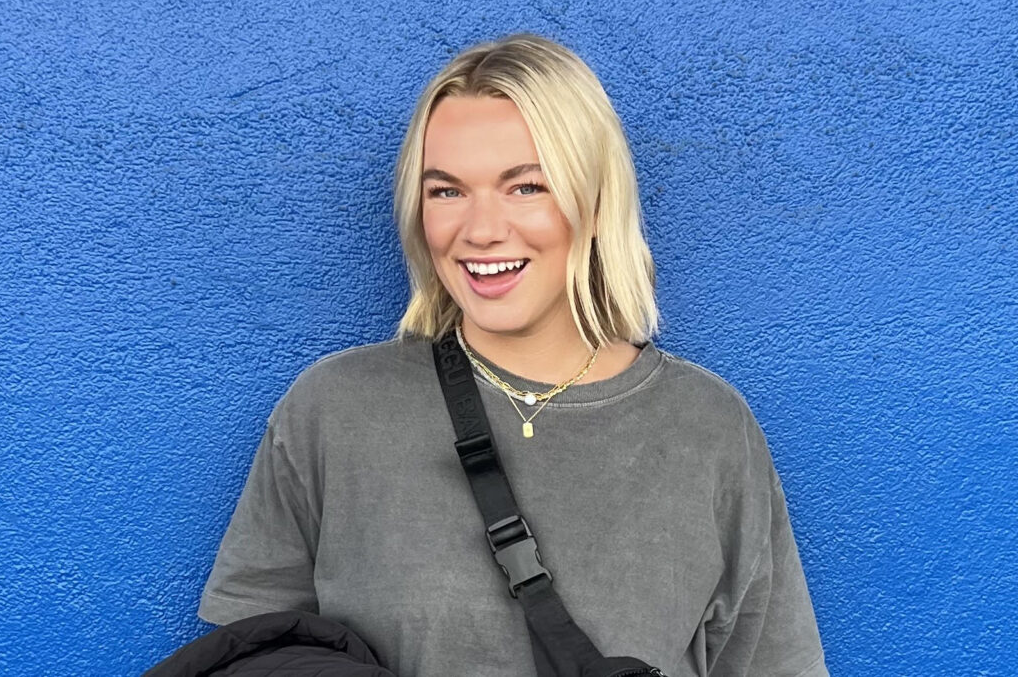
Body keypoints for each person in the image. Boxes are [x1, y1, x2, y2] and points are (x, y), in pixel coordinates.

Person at [197, 33, 828, 677]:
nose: (479, 229)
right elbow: (252, 652)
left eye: (525, 187)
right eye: (446, 191)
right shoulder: (333, 411)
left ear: (595, 199)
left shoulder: (708, 428)